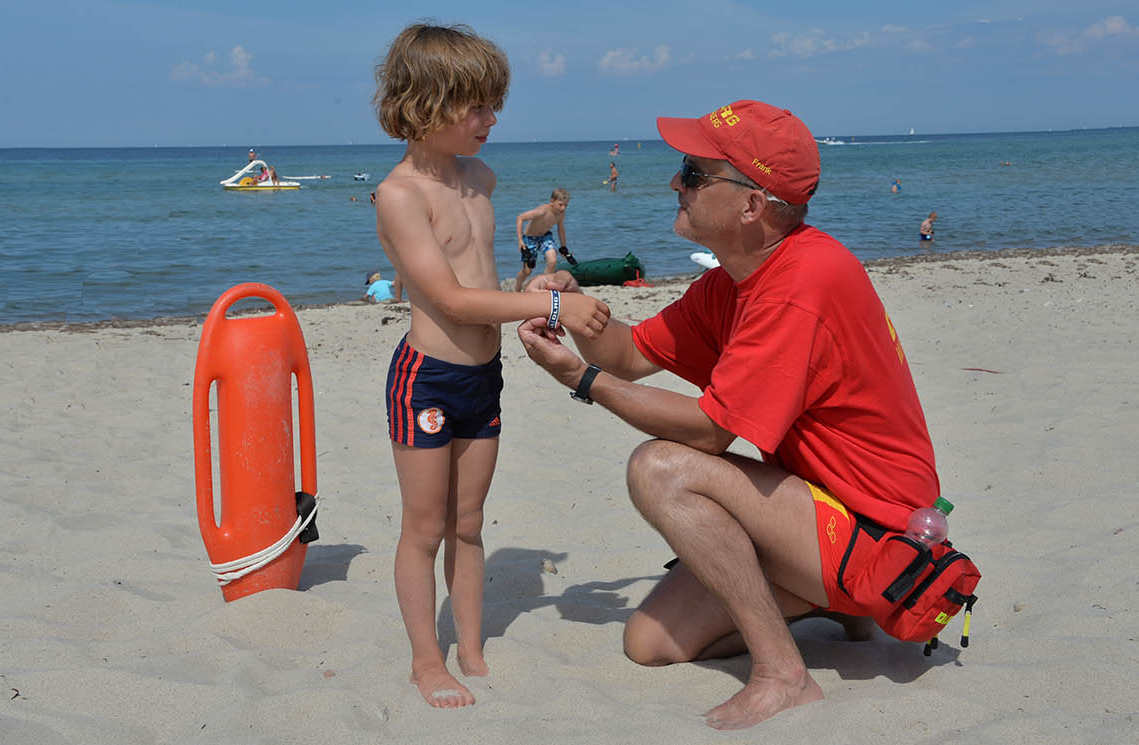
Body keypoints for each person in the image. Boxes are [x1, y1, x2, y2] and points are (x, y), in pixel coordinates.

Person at [517, 100, 940, 729]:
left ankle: (785, 673)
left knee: (660, 468)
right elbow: (632, 354)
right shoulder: (737, 280)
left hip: (883, 529)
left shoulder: (803, 281)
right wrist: (573, 311)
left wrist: (582, 380)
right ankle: (830, 603)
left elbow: (711, 433)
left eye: (693, 173)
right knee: (649, 645)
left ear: (752, 204)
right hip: (816, 507)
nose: (674, 184)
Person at [372, 22, 611, 709]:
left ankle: (470, 646)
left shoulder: (481, 177)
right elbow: (444, 297)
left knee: (468, 522)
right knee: (423, 527)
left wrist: (536, 289)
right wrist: (545, 309)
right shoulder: (398, 194)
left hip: (483, 377)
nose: (490, 119)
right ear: (424, 103)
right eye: (475, 105)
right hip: (428, 378)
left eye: (492, 103)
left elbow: (484, 284)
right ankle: (426, 660)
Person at [513, 188, 578, 292]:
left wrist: (564, 247)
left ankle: (544, 286)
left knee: (552, 261)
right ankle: (517, 288)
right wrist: (520, 240)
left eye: (566, 205)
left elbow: (561, 230)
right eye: (560, 204)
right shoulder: (541, 211)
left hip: (545, 237)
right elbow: (520, 218)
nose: (563, 208)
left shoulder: (561, 214)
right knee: (527, 270)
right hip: (529, 239)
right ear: (552, 201)